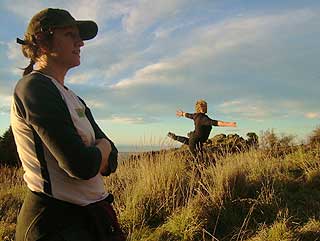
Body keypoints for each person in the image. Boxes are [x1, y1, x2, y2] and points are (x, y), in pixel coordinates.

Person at [11, 8, 125, 241]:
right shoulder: (34, 88)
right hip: (56, 224)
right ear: (43, 42)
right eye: (70, 34)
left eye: (79, 36)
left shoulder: (72, 97)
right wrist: (101, 148)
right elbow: (81, 166)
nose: (80, 43)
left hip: (90, 219)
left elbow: (111, 161)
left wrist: (100, 153)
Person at [167, 99, 237, 157]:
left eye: (204, 106)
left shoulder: (196, 116)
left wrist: (182, 114)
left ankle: (176, 137)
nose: (204, 108)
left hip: (197, 140)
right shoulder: (203, 119)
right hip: (196, 141)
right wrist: (229, 124)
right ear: (198, 108)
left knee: (190, 142)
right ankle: (181, 136)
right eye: (202, 107)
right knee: (199, 160)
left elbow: (188, 115)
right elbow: (216, 123)